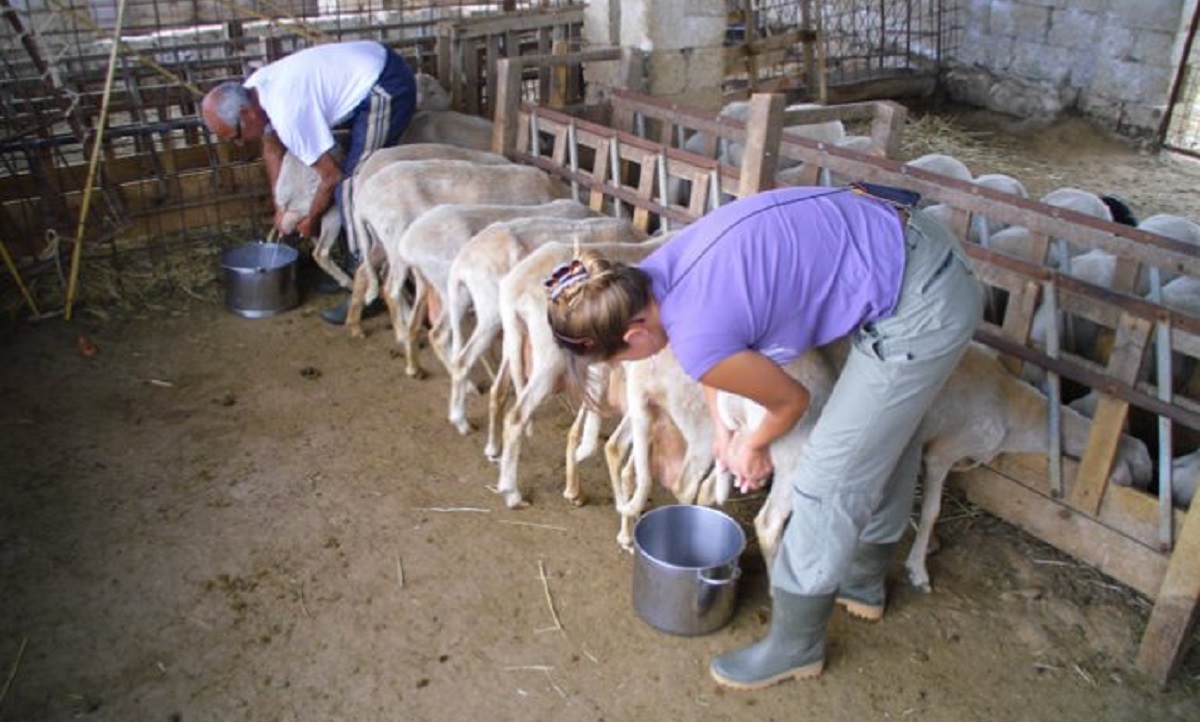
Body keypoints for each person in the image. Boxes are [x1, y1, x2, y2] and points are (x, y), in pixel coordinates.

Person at [544, 185, 983, 690]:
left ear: (634, 333)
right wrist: (724, 430)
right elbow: (718, 354)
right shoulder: (654, 275)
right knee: (885, 429)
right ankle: (862, 581)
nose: (625, 367)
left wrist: (752, 448)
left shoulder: (693, 334)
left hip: (926, 297)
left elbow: (788, 401)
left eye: (617, 360)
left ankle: (797, 645)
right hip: (904, 242)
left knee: (829, 473)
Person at [200, 40, 417, 324]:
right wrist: (281, 205)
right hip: (368, 67)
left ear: (245, 114)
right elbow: (271, 148)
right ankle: (350, 272)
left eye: (236, 135)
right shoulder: (253, 90)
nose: (240, 144)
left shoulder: (287, 114)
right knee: (347, 182)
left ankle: (367, 288)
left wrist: (310, 219)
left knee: (352, 184)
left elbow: (331, 176)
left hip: (387, 84)